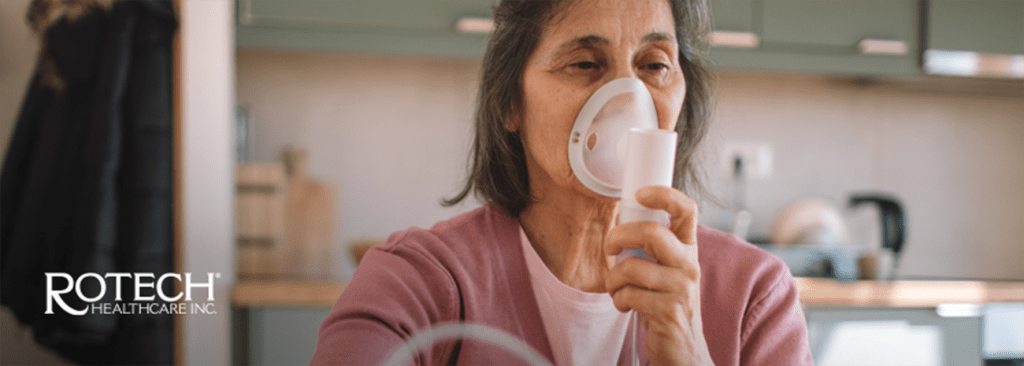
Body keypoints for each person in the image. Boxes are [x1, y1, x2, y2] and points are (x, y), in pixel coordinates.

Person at [311, 0, 814, 364]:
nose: (629, 97)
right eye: (585, 64)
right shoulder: (418, 284)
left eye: (654, 65)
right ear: (511, 102)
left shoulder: (754, 297)